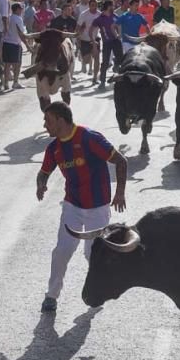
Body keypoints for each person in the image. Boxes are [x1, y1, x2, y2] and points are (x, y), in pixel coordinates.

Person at [35, 101, 127, 313]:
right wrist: (41, 184)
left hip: (98, 208)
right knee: (62, 251)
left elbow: (121, 161)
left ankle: (99, 290)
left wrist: (120, 192)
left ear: (60, 120)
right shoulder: (54, 148)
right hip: (72, 207)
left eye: (48, 121)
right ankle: (51, 296)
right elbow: (44, 172)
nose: (45, 125)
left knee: (93, 254)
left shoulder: (89, 138)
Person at [2, 2, 29, 90]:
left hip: (6, 42)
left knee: (7, 64)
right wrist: (27, 45)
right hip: (15, 43)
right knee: (17, 64)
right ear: (17, 9)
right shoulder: (18, 19)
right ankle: (15, 82)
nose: (22, 10)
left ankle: (5, 83)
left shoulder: (9, 17)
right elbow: (20, 33)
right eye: (21, 8)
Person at [76, 0, 100, 78]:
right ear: (89, 6)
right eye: (92, 5)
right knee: (86, 59)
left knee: (96, 57)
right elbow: (78, 27)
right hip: (85, 39)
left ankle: (95, 78)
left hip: (96, 38)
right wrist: (77, 38)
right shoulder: (84, 14)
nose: (94, 7)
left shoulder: (99, 14)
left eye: (96, 5)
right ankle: (84, 60)